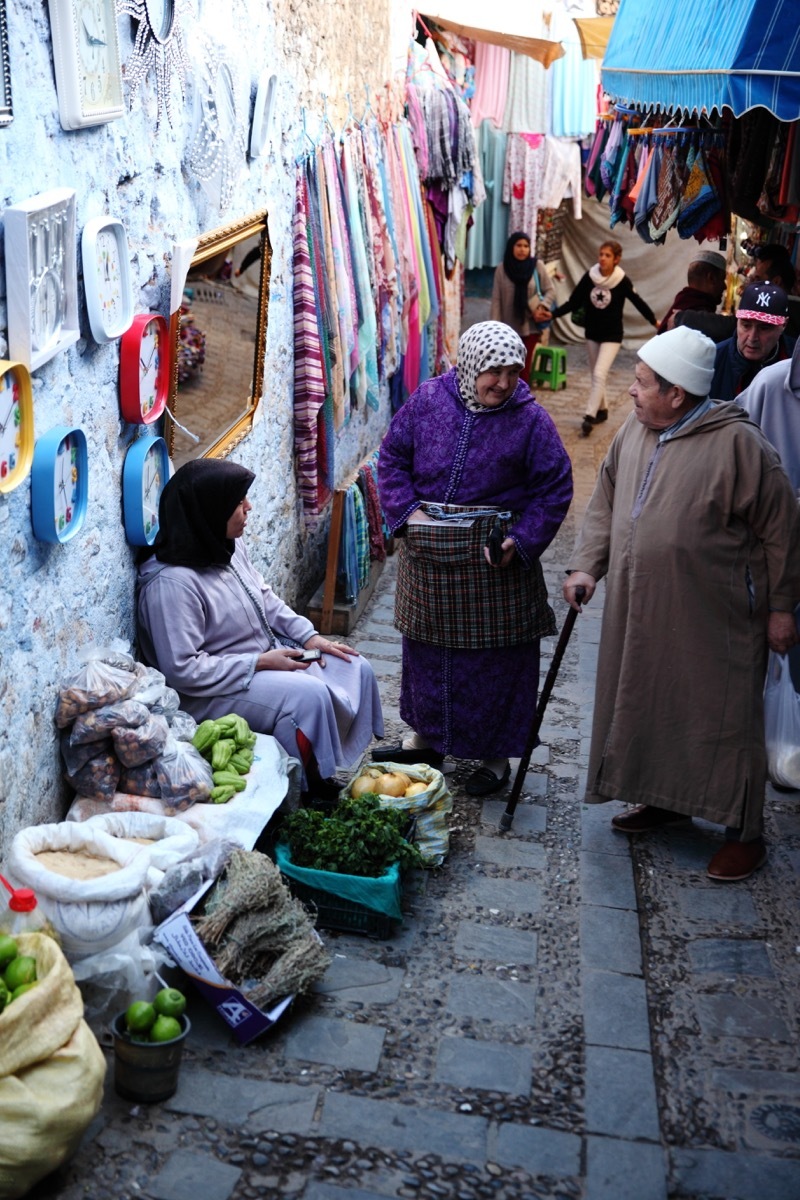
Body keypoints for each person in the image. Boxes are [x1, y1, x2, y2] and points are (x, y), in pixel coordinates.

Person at [563, 325, 800, 882]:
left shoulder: (742, 446)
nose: (630, 391)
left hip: (714, 616)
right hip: (639, 607)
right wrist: (585, 565)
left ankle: (745, 834)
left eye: (642, 383)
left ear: (677, 393)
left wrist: (783, 608)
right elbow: (606, 498)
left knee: (722, 718)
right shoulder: (634, 432)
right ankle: (664, 799)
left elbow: (782, 531)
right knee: (651, 702)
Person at [374, 321, 573, 796]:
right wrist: (409, 513)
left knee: (495, 662)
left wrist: (521, 540)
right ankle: (426, 741)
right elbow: (393, 457)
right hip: (431, 554)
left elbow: (554, 488)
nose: (501, 383)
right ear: (469, 365)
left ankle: (495, 757)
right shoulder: (428, 400)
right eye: (491, 371)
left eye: (510, 371)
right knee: (427, 652)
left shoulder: (530, 420)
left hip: (494, 561)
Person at [136, 459, 384, 793]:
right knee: (307, 697)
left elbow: (266, 599)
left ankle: (325, 761)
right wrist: (260, 662)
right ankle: (308, 785)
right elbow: (182, 670)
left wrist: (310, 637)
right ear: (209, 511)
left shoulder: (226, 546)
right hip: (210, 691)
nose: (248, 507)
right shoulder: (171, 585)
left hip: (259, 659)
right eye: (239, 503)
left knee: (352, 665)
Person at [550, 240, 658, 437]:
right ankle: (603, 410)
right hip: (592, 333)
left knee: (599, 373)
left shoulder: (621, 280)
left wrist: (654, 322)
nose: (602, 258)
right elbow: (573, 302)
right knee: (596, 375)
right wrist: (553, 314)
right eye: (601, 254)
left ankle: (589, 416)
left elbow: (638, 302)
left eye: (607, 255)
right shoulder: (590, 277)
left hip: (612, 335)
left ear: (616, 259)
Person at [710, 281, 795, 401]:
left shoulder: (795, 363)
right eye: (746, 325)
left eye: (764, 328)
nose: (752, 337)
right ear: (737, 320)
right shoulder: (712, 361)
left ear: (783, 325)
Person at [490, 232, 555, 379]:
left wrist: (543, 306)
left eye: (526, 246)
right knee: (507, 368)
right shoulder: (502, 269)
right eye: (518, 245)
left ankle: (522, 400)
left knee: (523, 369)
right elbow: (496, 300)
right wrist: (494, 328)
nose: (522, 249)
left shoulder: (536, 266)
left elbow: (550, 290)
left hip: (530, 326)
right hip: (507, 330)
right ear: (511, 247)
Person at [657, 249, 729, 339]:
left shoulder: (684, 302)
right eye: (722, 279)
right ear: (711, 278)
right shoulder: (696, 317)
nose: (724, 286)